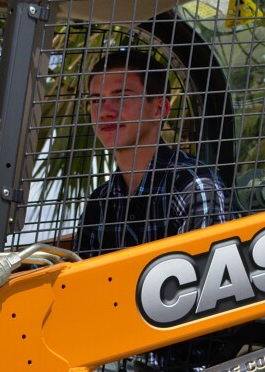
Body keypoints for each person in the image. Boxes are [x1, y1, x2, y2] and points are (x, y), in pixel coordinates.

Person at [71, 48, 233, 257]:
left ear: (159, 109)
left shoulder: (193, 187)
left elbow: (209, 280)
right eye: (95, 100)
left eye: (121, 97)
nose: (104, 111)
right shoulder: (98, 204)